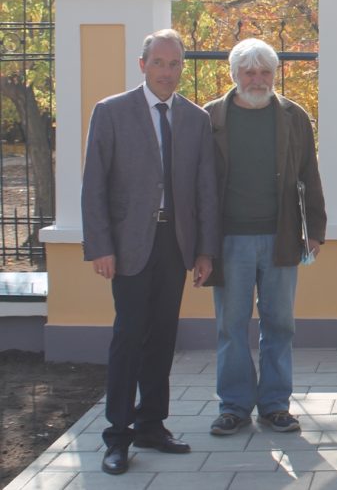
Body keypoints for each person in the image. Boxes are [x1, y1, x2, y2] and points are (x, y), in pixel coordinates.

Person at [81, 29, 219, 475]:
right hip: (128, 246)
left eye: (174, 64)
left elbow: (205, 189)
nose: (166, 71)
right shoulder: (111, 112)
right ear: (142, 65)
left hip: (174, 244)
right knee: (129, 336)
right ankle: (117, 435)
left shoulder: (196, 119)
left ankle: (151, 425)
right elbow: (94, 184)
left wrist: (204, 251)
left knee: (163, 336)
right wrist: (101, 246)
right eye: (158, 62)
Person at [204, 38, 327, 437]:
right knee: (231, 326)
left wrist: (315, 230)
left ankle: (275, 405)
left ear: (275, 74)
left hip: (282, 236)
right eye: (249, 72)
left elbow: (309, 174)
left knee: (280, 325)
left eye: (265, 72)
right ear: (234, 75)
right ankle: (234, 406)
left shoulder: (293, 116)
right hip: (229, 240)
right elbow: (197, 182)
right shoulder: (211, 117)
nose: (257, 80)